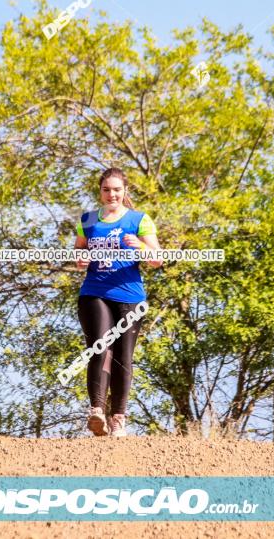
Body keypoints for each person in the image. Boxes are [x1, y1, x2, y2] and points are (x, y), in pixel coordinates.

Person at [74, 168, 161, 437]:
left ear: (124, 192)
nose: (111, 194)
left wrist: (139, 246)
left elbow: (157, 259)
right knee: (99, 348)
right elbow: (78, 251)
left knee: (123, 358)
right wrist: (80, 259)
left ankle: (118, 418)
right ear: (100, 191)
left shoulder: (139, 220)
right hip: (94, 292)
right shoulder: (88, 220)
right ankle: (97, 411)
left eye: (116, 190)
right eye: (106, 190)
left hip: (130, 297)